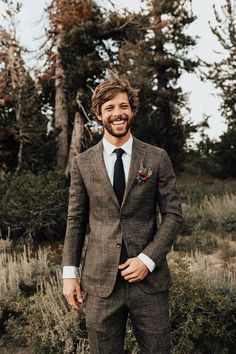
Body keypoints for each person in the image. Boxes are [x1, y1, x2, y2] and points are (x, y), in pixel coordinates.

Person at [62, 79, 183, 354]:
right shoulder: (82, 163)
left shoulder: (156, 158)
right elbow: (75, 221)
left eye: (123, 106)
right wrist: (70, 274)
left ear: (132, 110)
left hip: (149, 284)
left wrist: (147, 259)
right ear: (99, 114)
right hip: (100, 285)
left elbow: (174, 215)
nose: (118, 113)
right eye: (110, 107)